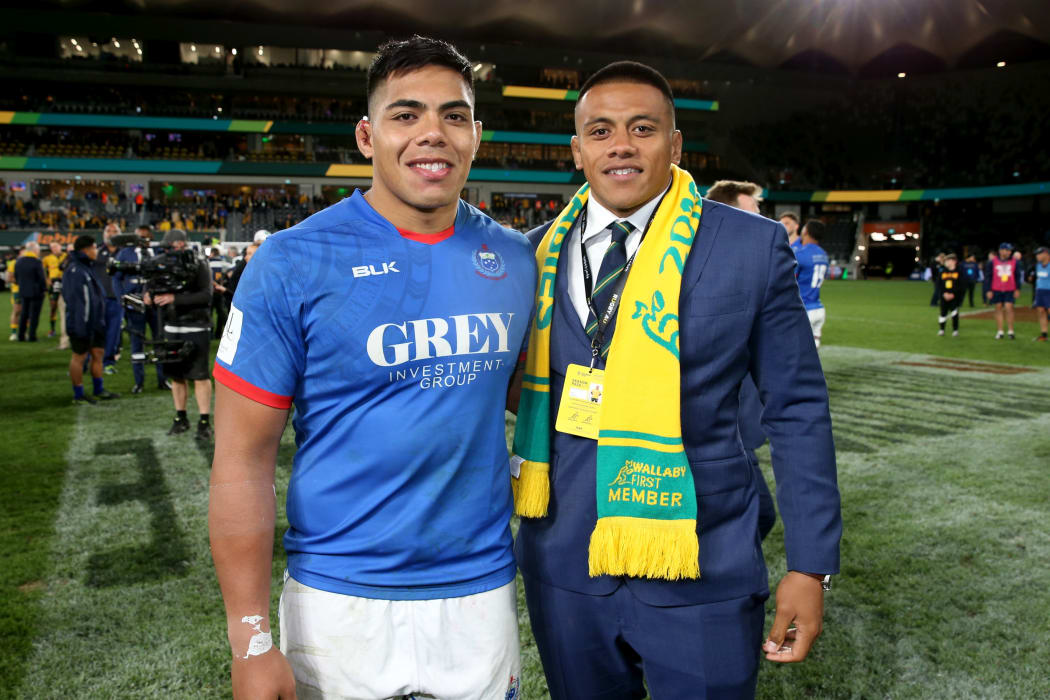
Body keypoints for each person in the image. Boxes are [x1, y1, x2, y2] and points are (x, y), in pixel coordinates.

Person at [209, 36, 534, 700]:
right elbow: (242, 458)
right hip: (339, 601)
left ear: (476, 134)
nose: (431, 135)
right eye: (405, 114)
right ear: (367, 135)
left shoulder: (515, 259)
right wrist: (250, 639)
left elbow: (529, 399)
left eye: (454, 115)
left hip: (480, 594)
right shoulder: (292, 262)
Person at [510, 61, 840, 700]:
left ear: (676, 144)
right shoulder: (530, 252)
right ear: (577, 151)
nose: (622, 146)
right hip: (564, 560)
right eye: (600, 132)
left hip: (701, 561)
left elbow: (797, 405)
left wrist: (811, 564)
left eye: (643, 128)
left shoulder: (750, 245)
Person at [702, 181, 777, 541]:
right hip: (715, 433)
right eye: (754, 211)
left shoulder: (754, 267)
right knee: (759, 515)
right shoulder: (701, 273)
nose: (761, 220)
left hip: (741, 428)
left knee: (757, 516)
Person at [144, 229, 213, 438]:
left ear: (182, 244)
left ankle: (204, 421)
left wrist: (175, 299)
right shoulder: (161, 264)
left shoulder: (199, 263)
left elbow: (206, 295)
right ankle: (181, 417)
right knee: (176, 376)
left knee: (199, 375)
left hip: (196, 326)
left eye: (172, 247)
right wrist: (147, 294)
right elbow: (151, 285)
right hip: (172, 326)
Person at [62, 235, 119, 404]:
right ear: (85, 250)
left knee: (98, 354)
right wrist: (82, 326)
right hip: (81, 324)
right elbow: (75, 301)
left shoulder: (87, 267)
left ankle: (98, 389)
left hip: (95, 323)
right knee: (79, 356)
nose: (97, 251)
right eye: (94, 248)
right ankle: (78, 394)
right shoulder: (75, 270)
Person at [112, 234, 168, 394]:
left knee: (159, 341)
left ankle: (162, 379)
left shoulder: (157, 252)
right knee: (137, 341)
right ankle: (139, 381)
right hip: (134, 304)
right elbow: (116, 278)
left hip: (155, 303)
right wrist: (122, 298)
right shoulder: (124, 253)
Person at [795, 219, 830, 348]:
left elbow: (788, 281)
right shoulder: (823, 254)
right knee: (814, 352)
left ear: (806, 231)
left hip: (803, 309)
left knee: (795, 350)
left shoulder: (799, 254)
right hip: (819, 308)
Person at [95, 222, 124, 373]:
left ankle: (107, 362)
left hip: (116, 299)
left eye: (114, 231)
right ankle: (89, 361)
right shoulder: (96, 250)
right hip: (98, 299)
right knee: (94, 332)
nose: (111, 233)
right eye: (108, 230)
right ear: (103, 233)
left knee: (113, 332)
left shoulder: (125, 252)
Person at [985, 242, 1022, 339]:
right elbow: (988, 277)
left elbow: (1017, 276)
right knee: (998, 308)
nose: (1009, 252)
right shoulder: (992, 262)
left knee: (1009, 307)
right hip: (996, 288)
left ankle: (1010, 330)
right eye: (1007, 250)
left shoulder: (1015, 262)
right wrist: (988, 290)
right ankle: (1000, 330)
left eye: (1009, 250)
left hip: (1009, 288)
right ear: (1001, 251)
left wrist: (1017, 289)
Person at [14, 241, 47, 342]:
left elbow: (16, 277)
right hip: (36, 292)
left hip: (23, 291)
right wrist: (44, 289)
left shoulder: (19, 261)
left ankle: (21, 335)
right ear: (35, 250)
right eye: (38, 250)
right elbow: (41, 278)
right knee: (34, 315)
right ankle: (32, 336)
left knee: (24, 314)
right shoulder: (36, 261)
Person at [935, 253, 964, 337]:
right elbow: (939, 284)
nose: (946, 262)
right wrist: (944, 293)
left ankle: (955, 330)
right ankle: (941, 330)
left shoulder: (959, 272)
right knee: (942, 313)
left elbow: (961, 285)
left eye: (948, 261)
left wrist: (953, 294)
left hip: (954, 297)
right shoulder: (943, 272)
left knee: (954, 313)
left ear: (954, 261)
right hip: (944, 297)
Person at [42, 241, 66, 337]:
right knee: (53, 307)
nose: (54, 248)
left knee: (67, 307)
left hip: (65, 283)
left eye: (56, 246)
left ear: (60, 246)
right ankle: (52, 329)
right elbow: (42, 271)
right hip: (53, 284)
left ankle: (67, 329)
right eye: (52, 247)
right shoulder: (47, 259)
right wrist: (47, 280)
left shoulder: (67, 256)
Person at [1032, 246, 1049, 342]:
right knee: (1041, 312)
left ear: (1046, 254)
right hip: (1040, 291)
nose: (1037, 256)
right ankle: (1044, 334)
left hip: (1049, 291)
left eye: (1039, 254)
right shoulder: (1038, 265)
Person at [6, 248, 22, 341]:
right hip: (17, 290)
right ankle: (13, 332)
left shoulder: (31, 262)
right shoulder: (13, 263)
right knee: (17, 310)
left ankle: (24, 332)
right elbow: (9, 278)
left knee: (27, 312)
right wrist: (21, 282)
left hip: (28, 290)